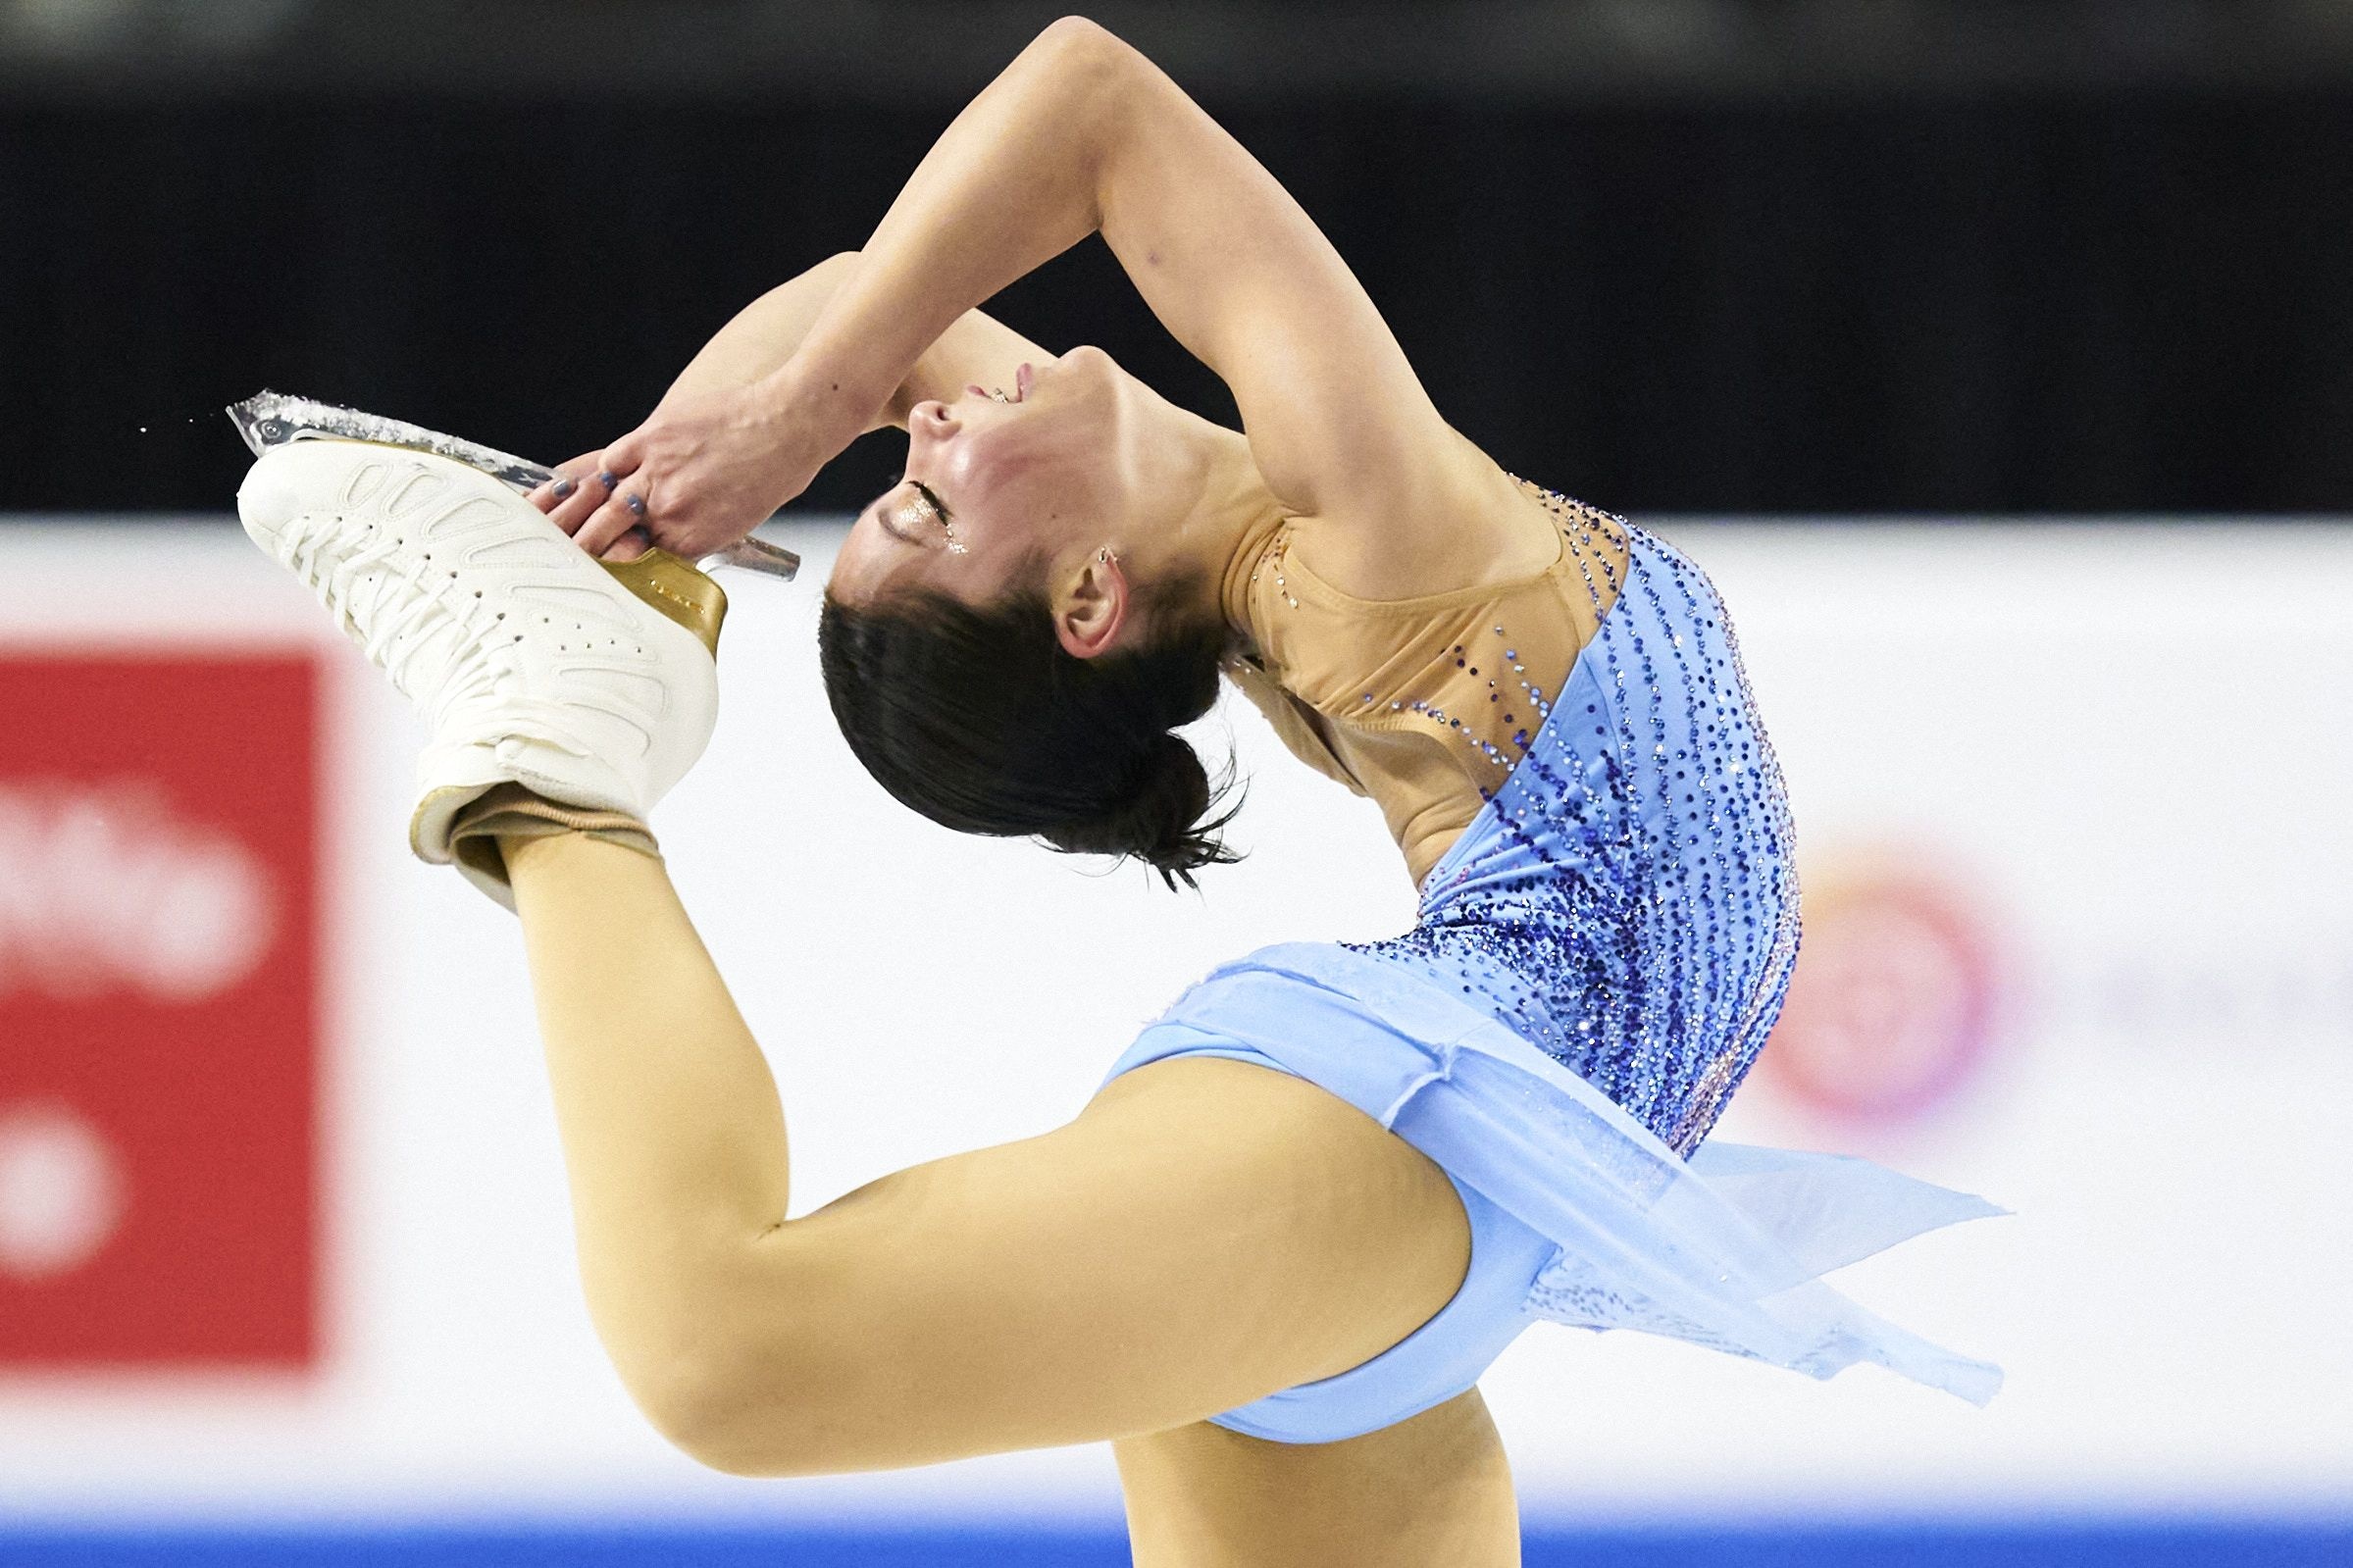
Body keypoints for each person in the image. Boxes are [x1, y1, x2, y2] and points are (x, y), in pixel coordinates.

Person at [238, 18, 1999, 1565]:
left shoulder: (1251, 581)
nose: (912, 432)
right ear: (1085, 603)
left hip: (1441, 1232)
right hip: (1408, 1125)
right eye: (925, 503)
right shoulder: (1370, 538)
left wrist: (676, 494)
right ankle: (560, 772)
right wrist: (801, 423)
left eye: (902, 472)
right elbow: (1094, 103)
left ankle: (596, 648)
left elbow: (852, 289)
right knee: (726, 1345)